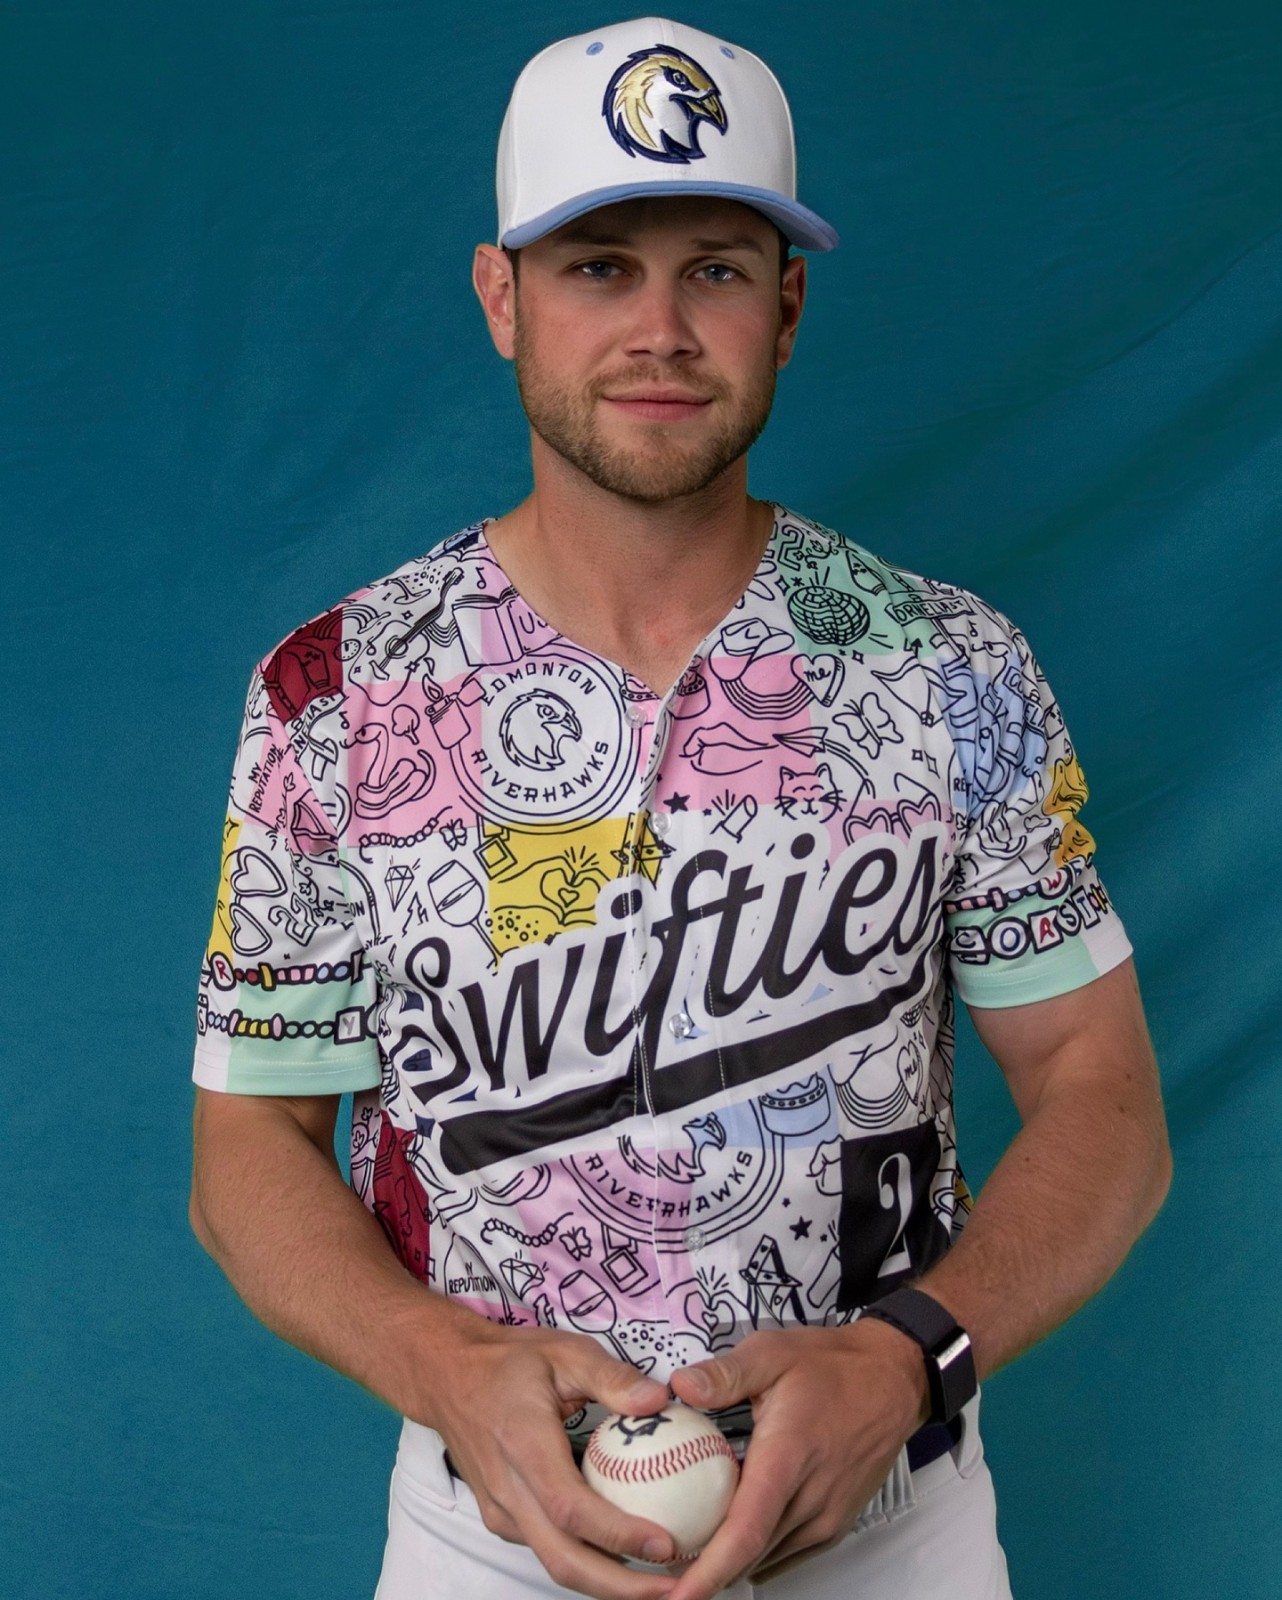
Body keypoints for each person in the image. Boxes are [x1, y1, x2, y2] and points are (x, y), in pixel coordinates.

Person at [189, 17, 1171, 1600]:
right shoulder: (337, 692)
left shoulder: (947, 664)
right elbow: (251, 1137)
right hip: (493, 1537)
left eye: (713, 268)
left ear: (786, 307)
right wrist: (437, 1363)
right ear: (501, 298)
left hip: (890, 1526)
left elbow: (1097, 1089)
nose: (658, 328)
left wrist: (911, 1355)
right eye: (597, 267)